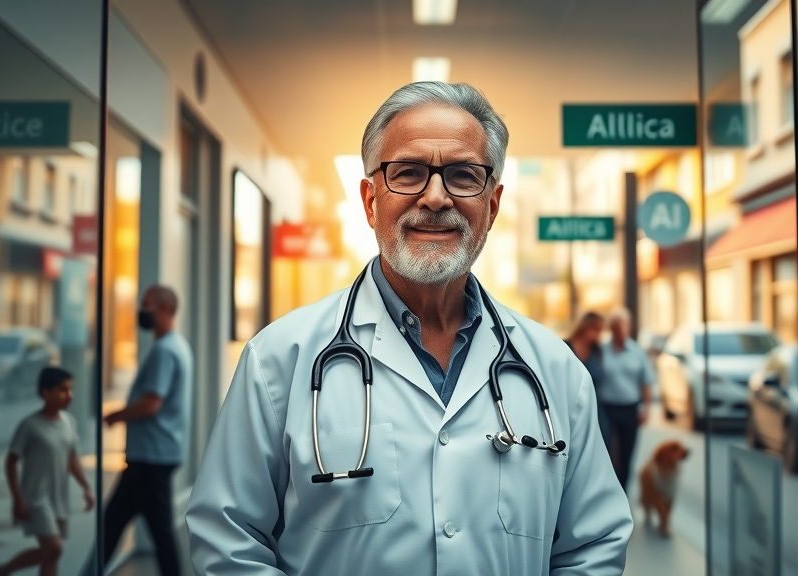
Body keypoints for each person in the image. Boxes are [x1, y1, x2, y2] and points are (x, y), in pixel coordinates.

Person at [186, 82, 632, 576]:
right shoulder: (278, 360)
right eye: (409, 174)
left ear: (493, 204)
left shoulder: (556, 370)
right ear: (371, 199)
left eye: (463, 176)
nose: (436, 197)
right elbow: (227, 541)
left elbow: (593, 546)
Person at [102, 285, 193, 576]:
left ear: (164, 309)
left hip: (151, 457)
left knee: (157, 532)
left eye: (146, 305)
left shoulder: (165, 350)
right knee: (112, 524)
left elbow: (152, 404)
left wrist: (117, 415)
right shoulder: (174, 346)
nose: (141, 311)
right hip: (151, 455)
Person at [0, 367, 94, 576]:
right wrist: (18, 498)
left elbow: (72, 460)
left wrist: (86, 488)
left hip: (58, 498)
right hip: (36, 499)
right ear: (46, 393)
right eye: (63, 390)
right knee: (54, 548)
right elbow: (11, 462)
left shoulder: (69, 422)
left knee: (49, 554)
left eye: (71, 390)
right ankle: (1, 570)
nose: (69, 395)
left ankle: (0, 571)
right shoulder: (29, 426)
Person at [598, 308, 655, 493]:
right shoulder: (602, 351)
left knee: (627, 453)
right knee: (609, 453)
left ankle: (623, 492)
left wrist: (646, 408)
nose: (621, 330)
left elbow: (645, 382)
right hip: (607, 409)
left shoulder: (637, 352)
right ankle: (608, 492)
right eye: (617, 326)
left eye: (624, 326)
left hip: (630, 409)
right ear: (612, 329)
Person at [567, 311, 609, 446]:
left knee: (602, 441)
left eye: (600, 330)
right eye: (595, 329)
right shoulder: (566, 346)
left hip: (595, 407)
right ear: (584, 327)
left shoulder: (596, 350)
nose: (598, 334)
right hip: (570, 406)